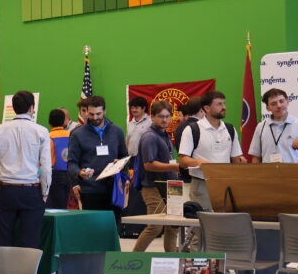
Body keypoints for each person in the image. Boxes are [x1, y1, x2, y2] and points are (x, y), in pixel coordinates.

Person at [0, 90, 51, 248]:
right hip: (31, 191)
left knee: (4, 240)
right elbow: (46, 167)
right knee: (30, 242)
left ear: (13, 108)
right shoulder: (41, 131)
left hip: (6, 190)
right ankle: (27, 273)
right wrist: (45, 191)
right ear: (32, 108)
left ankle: (5, 273)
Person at [67, 95, 129, 227]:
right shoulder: (77, 134)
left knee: (112, 231)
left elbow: (125, 156)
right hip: (90, 191)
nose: (95, 118)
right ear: (86, 113)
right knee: (92, 231)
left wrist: (123, 170)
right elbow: (71, 163)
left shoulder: (117, 131)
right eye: (91, 114)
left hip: (114, 191)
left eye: (98, 114)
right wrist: (79, 173)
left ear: (105, 111)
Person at [177, 91, 245, 210]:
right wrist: (200, 162)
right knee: (202, 225)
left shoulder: (230, 129)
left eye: (224, 103)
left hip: (226, 184)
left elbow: (236, 159)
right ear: (207, 108)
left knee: (225, 223)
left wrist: (241, 162)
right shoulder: (192, 129)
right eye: (219, 104)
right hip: (202, 184)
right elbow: (183, 160)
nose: (224, 107)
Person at [132, 101, 180, 252]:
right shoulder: (149, 137)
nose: (164, 120)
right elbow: (149, 165)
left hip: (173, 185)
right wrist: (175, 166)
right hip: (153, 186)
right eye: (160, 116)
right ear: (152, 117)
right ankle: (133, 258)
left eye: (167, 116)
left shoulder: (165, 135)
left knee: (174, 226)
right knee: (155, 226)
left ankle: (172, 260)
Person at [249, 88, 298, 163]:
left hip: (293, 173)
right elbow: (256, 157)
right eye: (273, 103)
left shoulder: (296, 123)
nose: (279, 105)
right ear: (268, 108)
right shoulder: (261, 127)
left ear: (287, 102)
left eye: (281, 101)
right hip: (267, 173)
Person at [172, 96, 203, 185]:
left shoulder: (179, 127)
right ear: (201, 110)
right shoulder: (199, 127)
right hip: (197, 174)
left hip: (184, 173)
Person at [47, 109, 71, 209]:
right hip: (69, 174)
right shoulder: (71, 135)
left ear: (49, 122)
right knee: (64, 204)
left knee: (53, 206)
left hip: (54, 174)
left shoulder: (48, 136)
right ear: (63, 121)